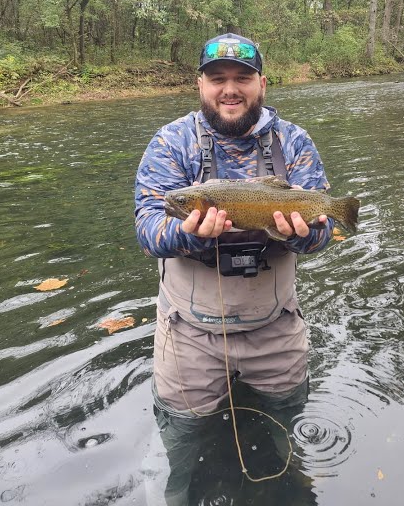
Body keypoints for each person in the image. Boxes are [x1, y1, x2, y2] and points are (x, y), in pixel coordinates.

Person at [134, 32, 337, 505]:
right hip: (189, 330)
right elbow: (147, 230)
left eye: (242, 78)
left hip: (275, 323)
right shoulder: (172, 142)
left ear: (261, 83)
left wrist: (299, 233)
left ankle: (290, 487)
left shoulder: (294, 141)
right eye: (218, 79)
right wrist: (190, 233)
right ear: (200, 85)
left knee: (288, 421)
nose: (230, 89)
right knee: (181, 434)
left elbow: (323, 234)